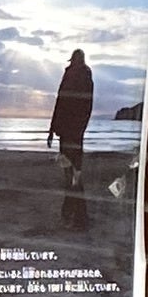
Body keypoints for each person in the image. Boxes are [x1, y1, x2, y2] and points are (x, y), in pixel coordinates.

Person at [46, 47, 96, 192]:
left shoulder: (75, 74)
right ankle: (73, 181)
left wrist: (52, 128)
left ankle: (72, 181)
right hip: (74, 123)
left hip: (69, 122)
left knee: (68, 152)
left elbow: (61, 100)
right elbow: (64, 100)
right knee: (73, 153)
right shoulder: (83, 75)